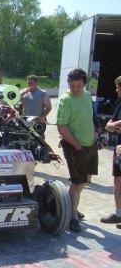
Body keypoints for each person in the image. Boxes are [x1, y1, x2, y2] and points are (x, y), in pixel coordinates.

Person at [56, 68, 98, 232]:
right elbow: (61, 127)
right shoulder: (66, 100)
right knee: (77, 181)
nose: (74, 89)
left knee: (86, 179)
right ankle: (72, 216)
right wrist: (77, 145)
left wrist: (96, 136)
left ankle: (70, 205)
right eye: (72, 86)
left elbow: (89, 118)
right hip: (75, 146)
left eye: (78, 86)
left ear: (84, 85)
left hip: (90, 144)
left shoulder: (87, 96)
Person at [102, 76, 121, 226]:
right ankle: (118, 214)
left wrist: (116, 124)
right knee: (118, 182)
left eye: (118, 87)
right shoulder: (119, 103)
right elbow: (108, 126)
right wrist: (115, 124)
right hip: (119, 149)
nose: (116, 90)